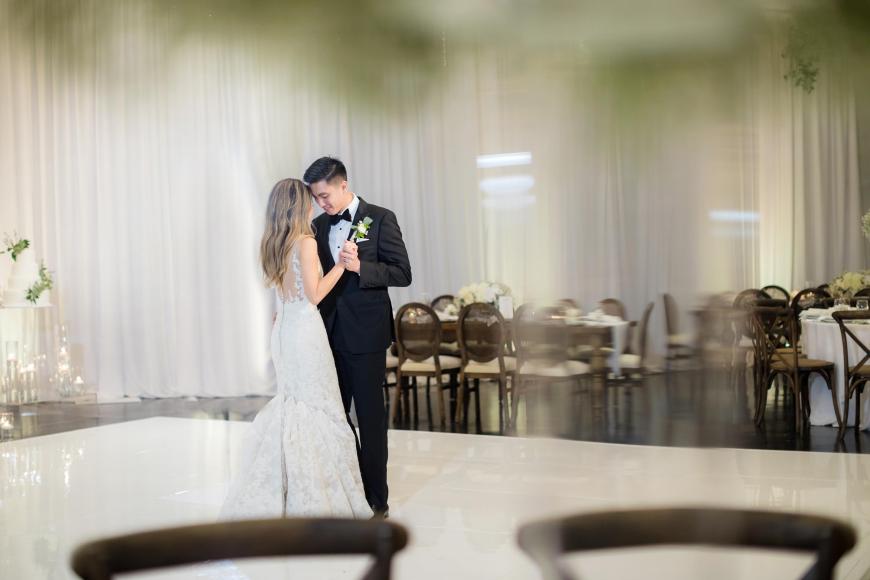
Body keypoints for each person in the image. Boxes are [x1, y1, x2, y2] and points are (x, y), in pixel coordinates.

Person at [219, 178, 372, 519]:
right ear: (298, 206)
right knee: (319, 406)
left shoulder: (271, 243)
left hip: (283, 332)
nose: (314, 205)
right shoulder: (305, 241)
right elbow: (314, 296)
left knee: (292, 403)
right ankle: (313, 493)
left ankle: (285, 489)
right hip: (305, 332)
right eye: (309, 200)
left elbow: (284, 292)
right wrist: (342, 265)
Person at [305, 157, 411, 518]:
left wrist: (361, 267)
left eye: (325, 195)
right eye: (316, 198)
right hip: (328, 334)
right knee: (334, 416)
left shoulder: (379, 218)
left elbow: (402, 273)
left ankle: (377, 498)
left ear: (343, 185)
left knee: (370, 418)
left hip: (366, 336)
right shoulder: (317, 226)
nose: (321, 203)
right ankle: (348, 487)